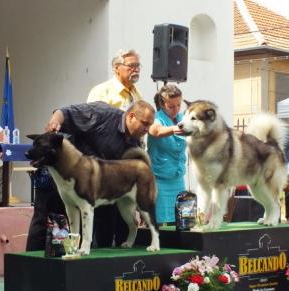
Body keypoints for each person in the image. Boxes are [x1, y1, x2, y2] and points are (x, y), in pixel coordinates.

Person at [26, 100, 155, 250]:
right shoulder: (101, 113)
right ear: (131, 116)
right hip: (61, 177)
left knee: (101, 235)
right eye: (145, 123)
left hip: (98, 189)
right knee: (46, 227)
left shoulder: (136, 143)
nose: (147, 129)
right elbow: (65, 112)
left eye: (150, 125)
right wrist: (54, 122)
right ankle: (31, 268)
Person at [86, 49, 144, 247]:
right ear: (117, 68)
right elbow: (93, 125)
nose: (136, 70)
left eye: (138, 66)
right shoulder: (102, 92)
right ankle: (101, 257)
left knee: (125, 213)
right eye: (131, 66)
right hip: (105, 163)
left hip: (128, 164)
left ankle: (124, 253)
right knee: (103, 215)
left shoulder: (136, 94)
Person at [147, 85, 186, 225]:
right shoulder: (156, 118)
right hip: (159, 179)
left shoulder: (183, 118)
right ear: (162, 104)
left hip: (178, 177)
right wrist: (175, 129)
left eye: (178, 105)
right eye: (171, 106)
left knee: (181, 220)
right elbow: (156, 131)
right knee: (160, 221)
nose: (176, 110)